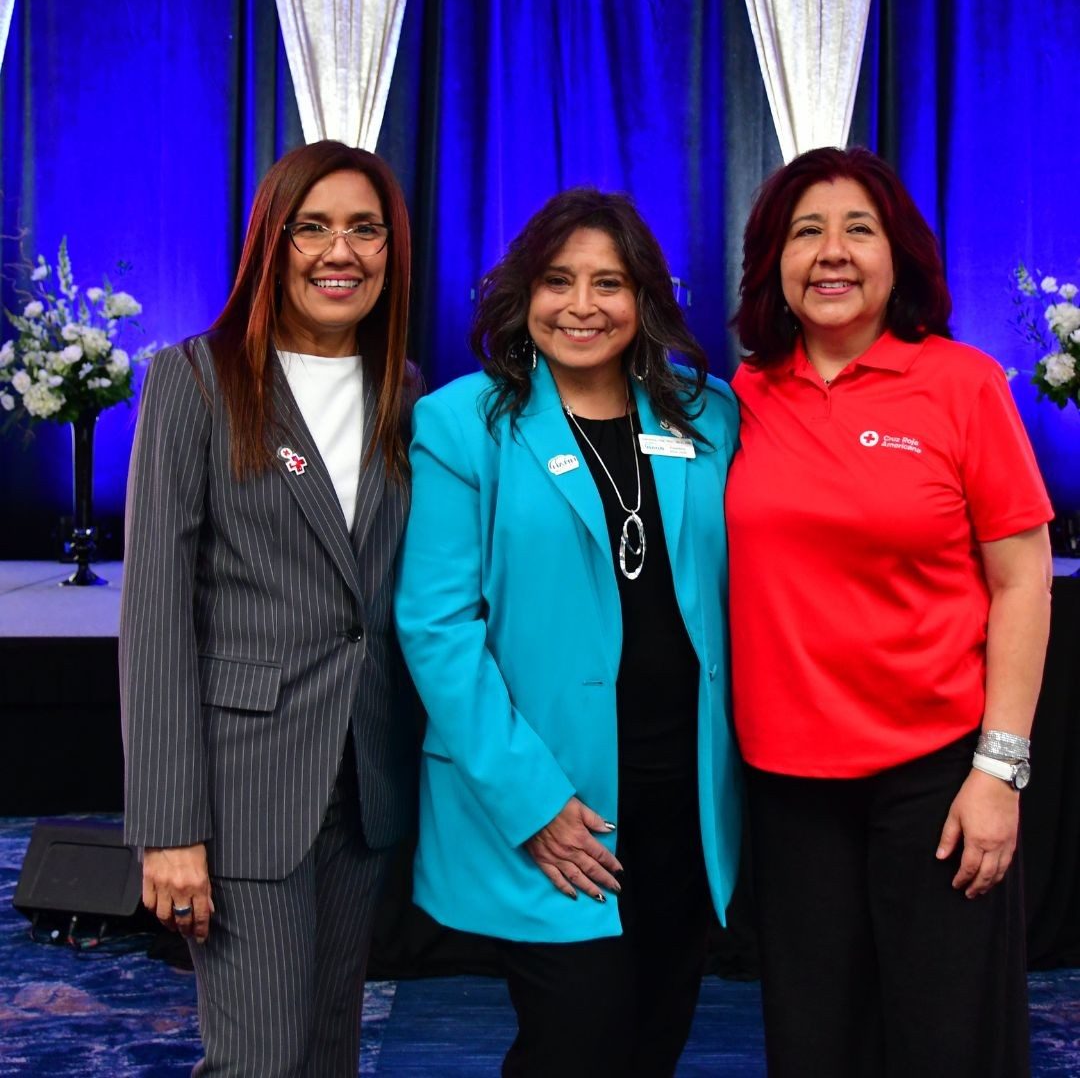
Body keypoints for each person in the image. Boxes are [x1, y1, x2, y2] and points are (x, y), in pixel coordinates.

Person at [394, 187, 741, 1077]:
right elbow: (436, 626)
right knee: (575, 1045)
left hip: (687, 806)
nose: (582, 306)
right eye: (557, 280)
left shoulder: (710, 417)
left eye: (609, 283)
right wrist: (534, 803)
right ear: (522, 294)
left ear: (646, 299)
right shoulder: (463, 424)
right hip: (559, 804)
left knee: (656, 1041)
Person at [726, 146, 1053, 1077]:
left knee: (948, 1043)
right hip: (787, 785)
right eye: (805, 232)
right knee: (816, 1043)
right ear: (773, 265)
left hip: (938, 776)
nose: (831, 253)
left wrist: (1000, 771)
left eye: (857, 230)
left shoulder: (961, 385)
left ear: (898, 255)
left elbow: (1022, 582)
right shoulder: (737, 399)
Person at [120, 140, 418, 1077]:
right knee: (259, 1061)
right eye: (313, 227)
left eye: (364, 229)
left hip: (362, 779)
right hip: (244, 786)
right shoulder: (195, 380)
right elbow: (156, 616)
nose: (341, 251)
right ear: (272, 242)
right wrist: (169, 826)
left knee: (329, 1052)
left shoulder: (404, 394)